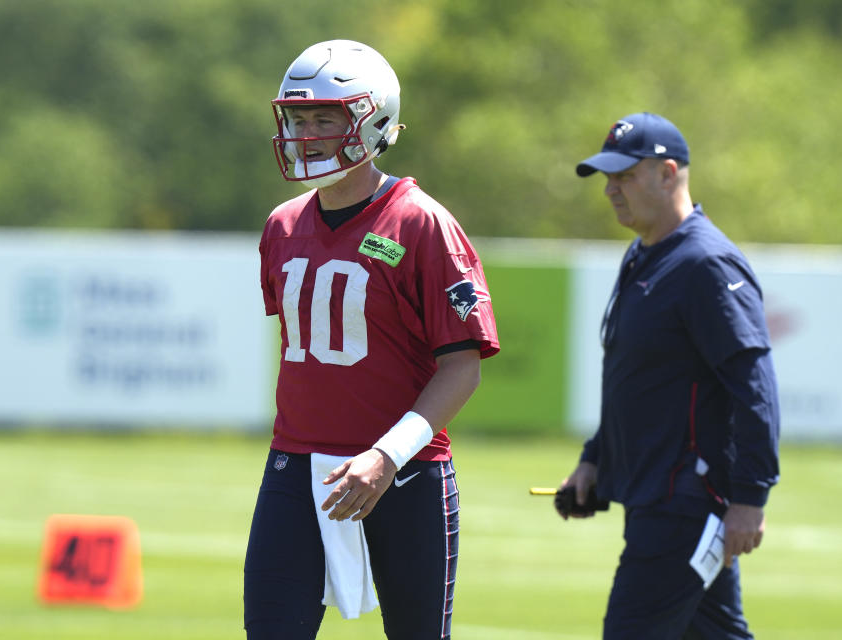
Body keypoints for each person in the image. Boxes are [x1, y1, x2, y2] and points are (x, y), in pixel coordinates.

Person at [244, 40, 499, 640]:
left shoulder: (420, 223)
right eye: (299, 120)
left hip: (404, 474)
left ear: (372, 121)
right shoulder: (282, 226)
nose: (307, 135)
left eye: (325, 119)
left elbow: (462, 366)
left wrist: (388, 455)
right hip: (297, 465)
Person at [556, 112, 780, 639]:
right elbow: (639, 384)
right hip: (659, 500)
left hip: (684, 505)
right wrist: (595, 459)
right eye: (608, 178)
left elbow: (754, 387)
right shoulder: (644, 254)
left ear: (668, 173)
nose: (611, 189)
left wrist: (751, 498)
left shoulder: (705, 264)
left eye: (625, 176)